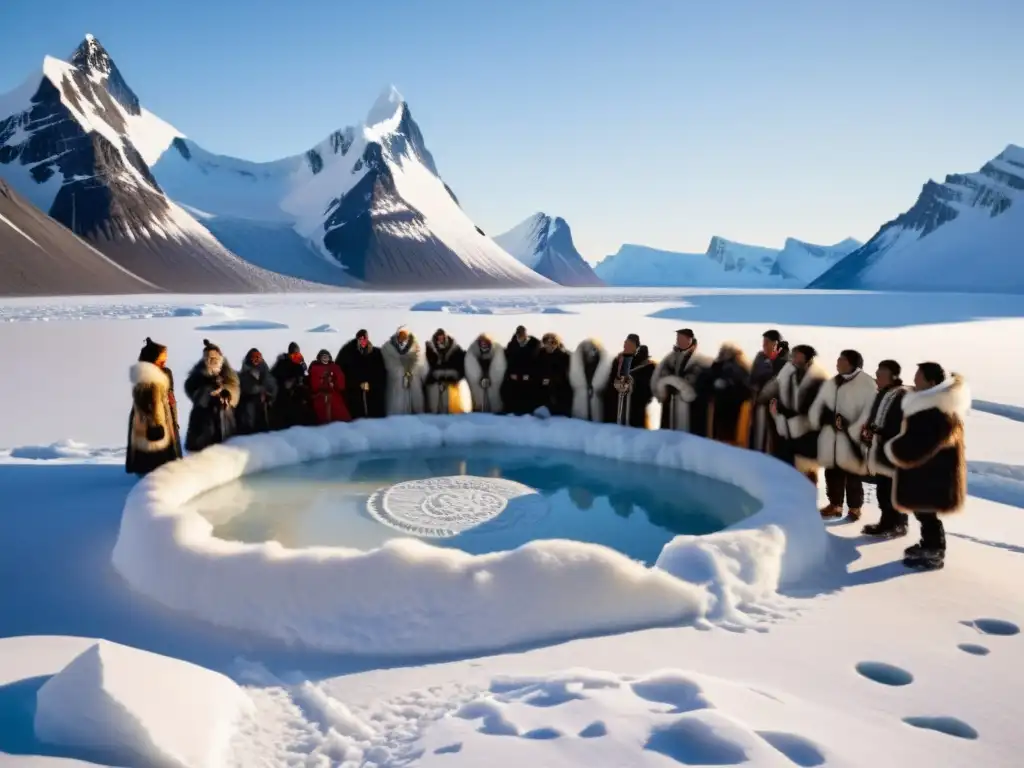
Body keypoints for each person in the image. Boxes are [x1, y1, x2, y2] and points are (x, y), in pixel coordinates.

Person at [883, 363, 969, 570]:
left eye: (918, 377)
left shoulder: (937, 408)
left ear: (930, 382)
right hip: (927, 470)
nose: (914, 380)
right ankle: (929, 544)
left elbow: (923, 442)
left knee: (927, 512)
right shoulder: (932, 404)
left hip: (933, 472)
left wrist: (896, 449)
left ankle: (934, 550)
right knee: (924, 512)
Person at [809, 349, 877, 521]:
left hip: (854, 436)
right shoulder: (835, 381)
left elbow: (870, 410)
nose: (837, 362)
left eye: (841, 360)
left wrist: (851, 425)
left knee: (852, 472)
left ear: (852, 363)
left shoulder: (866, 383)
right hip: (832, 434)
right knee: (832, 471)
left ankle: (855, 508)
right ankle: (835, 505)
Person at [861, 359, 910, 538]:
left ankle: (899, 524)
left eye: (881, 373)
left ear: (893, 376)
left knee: (894, 490)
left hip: (894, 451)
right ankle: (886, 522)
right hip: (880, 448)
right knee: (882, 489)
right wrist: (868, 429)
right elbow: (875, 418)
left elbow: (900, 425)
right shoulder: (883, 393)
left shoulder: (901, 395)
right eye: (877, 372)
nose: (877, 376)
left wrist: (878, 431)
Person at [770, 344, 828, 482]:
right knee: (787, 463)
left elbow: (814, 409)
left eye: (798, 355)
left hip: (809, 432)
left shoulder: (818, 380)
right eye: (794, 355)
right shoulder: (791, 375)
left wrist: (786, 412)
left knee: (807, 470)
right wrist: (778, 409)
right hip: (790, 430)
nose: (794, 358)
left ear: (807, 358)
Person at [126, 337, 182, 476]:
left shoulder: (165, 372)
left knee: (168, 446)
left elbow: (169, 394)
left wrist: (172, 414)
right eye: (162, 357)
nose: (165, 360)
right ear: (152, 359)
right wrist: (155, 424)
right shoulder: (145, 377)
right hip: (151, 420)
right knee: (153, 450)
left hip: (166, 414)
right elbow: (146, 404)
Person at [651, 328, 711, 435]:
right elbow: (657, 378)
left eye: (682, 338)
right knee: (668, 435)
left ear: (691, 340)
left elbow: (704, 387)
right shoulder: (669, 359)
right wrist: (660, 391)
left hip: (692, 410)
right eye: (678, 338)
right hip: (670, 405)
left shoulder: (702, 361)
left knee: (691, 436)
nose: (679, 341)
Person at [184, 339, 240, 452]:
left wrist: (227, 392)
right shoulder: (198, 372)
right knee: (202, 444)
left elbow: (234, 386)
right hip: (203, 414)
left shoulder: (227, 371)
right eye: (207, 358)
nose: (209, 361)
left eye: (213, 358)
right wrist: (206, 390)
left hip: (223, 411)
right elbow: (190, 387)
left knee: (225, 442)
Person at [705, 342, 753, 447]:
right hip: (721, 407)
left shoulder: (740, 367)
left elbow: (745, 389)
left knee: (728, 436)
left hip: (733, 409)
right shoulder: (718, 366)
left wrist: (728, 384)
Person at [749, 329, 790, 454]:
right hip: (758, 404)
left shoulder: (785, 361)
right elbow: (752, 378)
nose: (764, 346)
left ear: (776, 344)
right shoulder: (760, 358)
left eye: (767, 343)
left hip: (775, 406)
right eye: (763, 343)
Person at [604, 333, 656, 428]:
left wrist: (632, 384)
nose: (625, 346)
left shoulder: (647, 366)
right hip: (616, 409)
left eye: (629, 344)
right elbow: (610, 382)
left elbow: (648, 390)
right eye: (625, 343)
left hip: (636, 410)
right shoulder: (618, 361)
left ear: (636, 347)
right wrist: (617, 385)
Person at [337, 330, 387, 419]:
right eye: (360, 339)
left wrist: (371, 384)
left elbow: (381, 372)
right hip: (354, 394)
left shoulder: (376, 353)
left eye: (365, 339)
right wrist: (357, 384)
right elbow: (341, 372)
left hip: (373, 394)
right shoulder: (347, 353)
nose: (362, 341)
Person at [382, 326, 427, 415]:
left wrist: (410, 370)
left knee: (414, 391)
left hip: (412, 376)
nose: (403, 336)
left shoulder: (415, 345)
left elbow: (418, 359)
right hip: (396, 378)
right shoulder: (388, 346)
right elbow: (389, 361)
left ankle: (415, 412)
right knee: (397, 396)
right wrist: (402, 371)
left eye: (405, 334)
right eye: (401, 334)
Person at [569, 338, 615, 422]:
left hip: (598, 402)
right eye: (586, 348)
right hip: (580, 400)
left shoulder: (604, 364)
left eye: (592, 348)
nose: (589, 351)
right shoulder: (577, 363)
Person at [425, 328, 467, 414]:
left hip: (452, 380)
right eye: (438, 338)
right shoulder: (429, 350)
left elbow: (460, 366)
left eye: (442, 338)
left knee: (451, 404)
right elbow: (428, 366)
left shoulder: (455, 350)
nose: (440, 340)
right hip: (434, 380)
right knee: (433, 401)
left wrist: (455, 377)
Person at [270, 342, 312, 429]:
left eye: (297, 353)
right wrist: (285, 382)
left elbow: (302, 375)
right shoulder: (282, 362)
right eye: (293, 353)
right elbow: (275, 375)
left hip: (297, 389)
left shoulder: (300, 362)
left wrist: (298, 379)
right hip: (283, 390)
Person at [236, 348, 277, 435]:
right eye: (254, 358)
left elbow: (271, 384)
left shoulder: (264, 369)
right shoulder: (245, 371)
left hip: (263, 400)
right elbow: (246, 387)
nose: (256, 360)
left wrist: (268, 394)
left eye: (258, 358)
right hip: (248, 399)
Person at [502, 325, 540, 415]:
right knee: (508, 387)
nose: (520, 338)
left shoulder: (534, 345)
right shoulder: (512, 345)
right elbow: (509, 360)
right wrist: (512, 373)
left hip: (530, 373)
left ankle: (528, 409)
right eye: (518, 335)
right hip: (515, 373)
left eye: (522, 335)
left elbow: (535, 361)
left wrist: (529, 374)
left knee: (530, 388)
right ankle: (510, 408)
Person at [464, 333, 507, 414]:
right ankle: (479, 409)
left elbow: (499, 366)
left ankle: (497, 410)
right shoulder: (472, 351)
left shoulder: (497, 350)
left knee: (495, 393)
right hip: (478, 376)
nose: (484, 345)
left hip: (493, 376)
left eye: (486, 343)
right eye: (482, 343)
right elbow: (470, 365)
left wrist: (493, 377)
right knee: (478, 394)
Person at [535, 333, 573, 416]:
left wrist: (551, 379)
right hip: (542, 384)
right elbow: (536, 370)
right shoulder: (540, 355)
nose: (549, 345)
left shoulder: (564, 356)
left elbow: (564, 374)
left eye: (553, 342)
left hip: (559, 387)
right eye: (547, 342)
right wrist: (542, 378)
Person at [308, 349, 350, 424]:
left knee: (339, 413)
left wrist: (335, 384)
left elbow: (340, 377)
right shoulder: (315, 368)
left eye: (326, 356)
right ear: (319, 358)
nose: (325, 358)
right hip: (320, 396)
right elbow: (314, 382)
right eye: (323, 357)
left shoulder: (334, 367)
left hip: (334, 394)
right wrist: (322, 385)